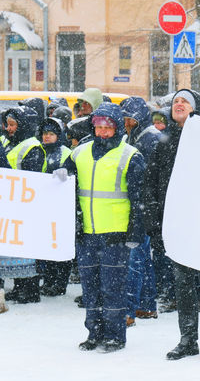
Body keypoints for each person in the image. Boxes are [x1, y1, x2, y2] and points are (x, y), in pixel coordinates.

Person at [143, 89, 200, 364]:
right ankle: (188, 340)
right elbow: (151, 185)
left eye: (185, 101)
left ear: (195, 109)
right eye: (175, 101)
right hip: (176, 226)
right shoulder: (163, 142)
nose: (178, 104)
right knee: (183, 286)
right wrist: (154, 223)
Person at [72, 102, 146, 353]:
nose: (102, 131)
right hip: (87, 233)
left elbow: (140, 199)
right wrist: (59, 172)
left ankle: (115, 335)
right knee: (90, 288)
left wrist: (136, 231)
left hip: (115, 234)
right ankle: (94, 332)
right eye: (98, 126)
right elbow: (65, 183)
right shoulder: (79, 153)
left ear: (117, 128)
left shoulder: (130, 155)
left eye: (108, 126)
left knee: (113, 288)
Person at [120, 97, 162, 326]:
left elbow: (154, 176)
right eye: (125, 119)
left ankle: (130, 310)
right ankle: (147, 305)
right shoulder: (137, 136)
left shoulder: (149, 139)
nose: (127, 123)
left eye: (131, 119)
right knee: (143, 258)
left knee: (134, 258)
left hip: (144, 205)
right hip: (142, 204)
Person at [0, 106, 46, 304]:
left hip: (26, 204)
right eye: (7, 125)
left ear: (23, 126)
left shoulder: (32, 146)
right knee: (13, 248)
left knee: (27, 249)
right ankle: (19, 286)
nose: (8, 129)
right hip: (9, 203)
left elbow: (29, 177)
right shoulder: (7, 141)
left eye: (12, 125)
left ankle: (29, 289)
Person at [37, 117, 75, 297]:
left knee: (58, 245)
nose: (47, 137)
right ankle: (49, 280)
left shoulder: (66, 153)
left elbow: (72, 178)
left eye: (51, 134)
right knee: (46, 245)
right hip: (42, 206)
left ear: (58, 135)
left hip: (60, 208)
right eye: (45, 133)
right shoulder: (38, 150)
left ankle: (59, 283)